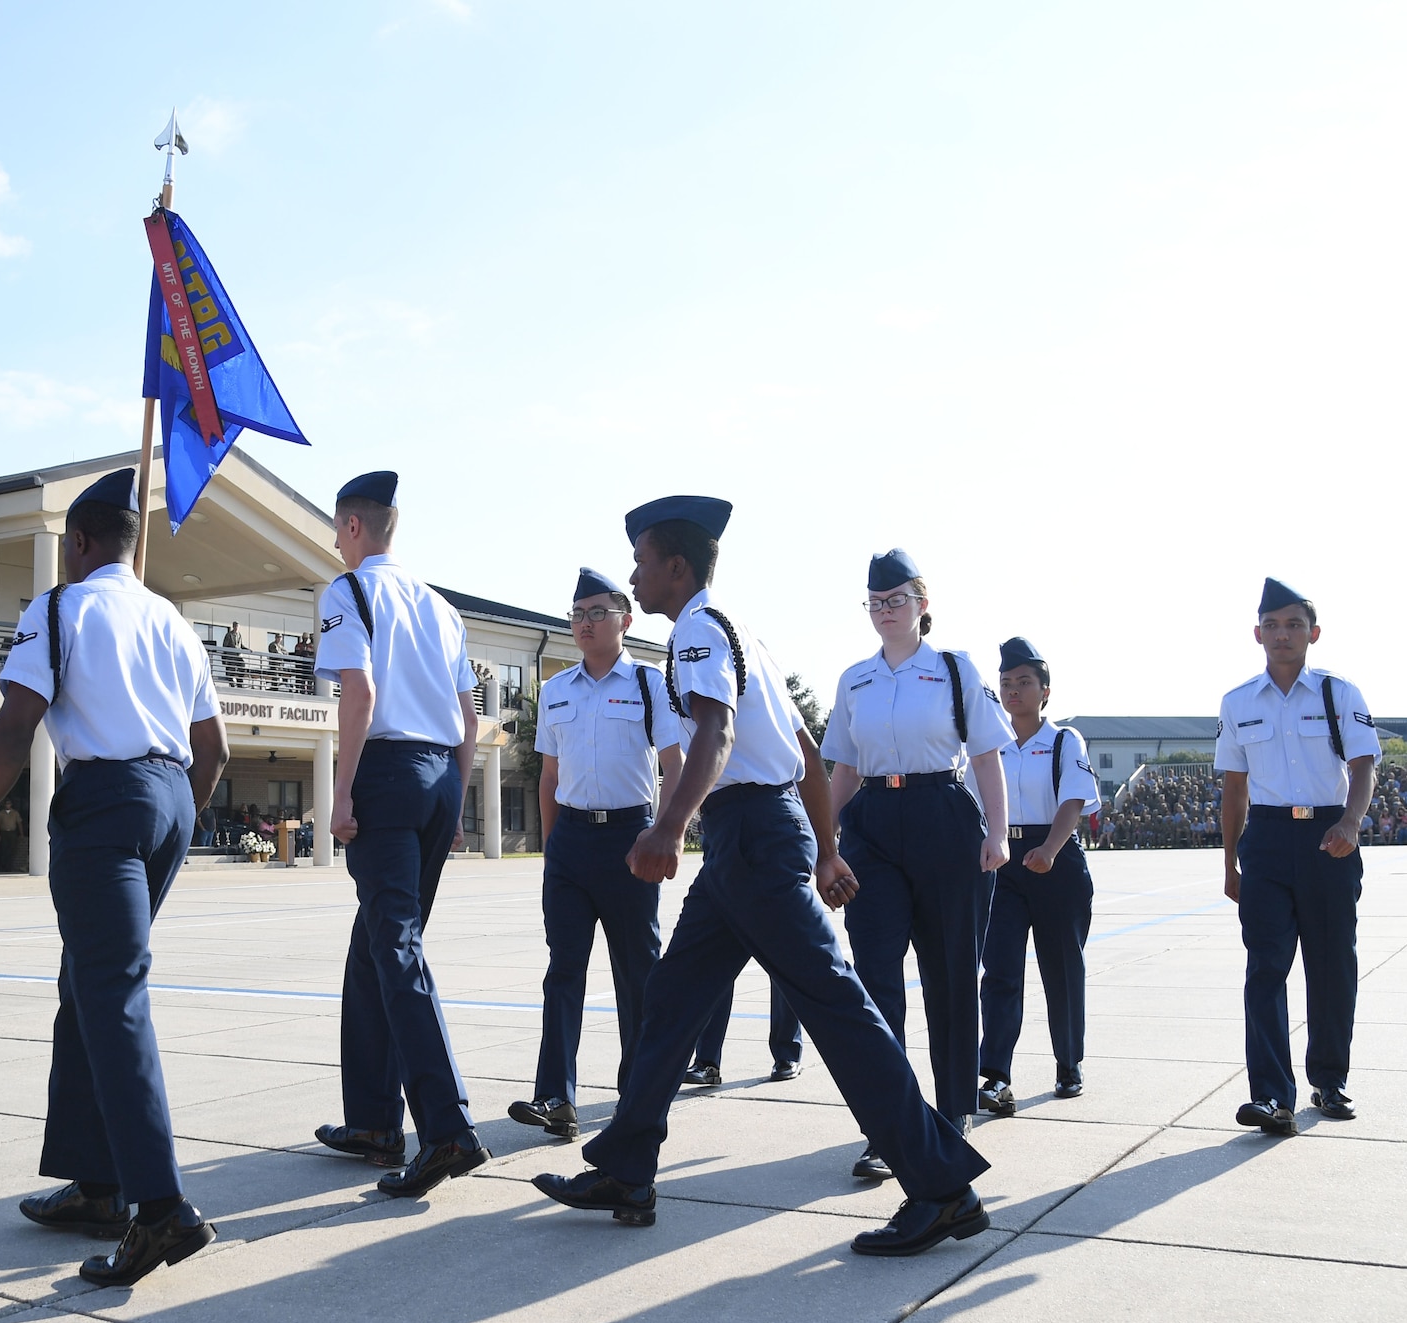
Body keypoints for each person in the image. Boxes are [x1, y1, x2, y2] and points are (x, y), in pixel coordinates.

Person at [532, 496, 991, 1257]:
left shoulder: (695, 635)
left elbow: (717, 731)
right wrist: (826, 849)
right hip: (752, 841)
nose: (635, 577)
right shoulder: (745, 636)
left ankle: (942, 1186)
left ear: (675, 567)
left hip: (748, 839)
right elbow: (807, 751)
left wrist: (669, 826)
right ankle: (626, 1163)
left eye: (642, 563)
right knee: (671, 1005)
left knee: (839, 1010)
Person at [0, 466, 228, 1287]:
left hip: (103, 805)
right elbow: (215, 751)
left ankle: (159, 1208)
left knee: (112, 998)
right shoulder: (172, 620)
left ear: (80, 542)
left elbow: (13, 727)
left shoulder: (58, 608)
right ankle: (97, 1183)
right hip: (170, 800)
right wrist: (174, 816)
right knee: (86, 987)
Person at [310, 470, 491, 1198]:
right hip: (441, 774)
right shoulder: (440, 607)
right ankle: (375, 1119)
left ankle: (445, 1129)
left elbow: (360, 691)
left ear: (354, 527)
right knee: (375, 947)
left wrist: (343, 788)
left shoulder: (347, 592)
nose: (335, 542)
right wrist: (450, 801)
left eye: (336, 529)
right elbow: (470, 720)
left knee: (395, 946)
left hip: (385, 774)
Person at [820, 550, 1012, 1149]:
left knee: (950, 971)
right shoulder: (856, 679)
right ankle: (891, 1126)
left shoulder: (955, 670)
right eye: (876, 603)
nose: (886, 611)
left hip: (943, 815)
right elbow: (844, 769)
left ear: (922, 605)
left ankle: (953, 1108)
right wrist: (824, 841)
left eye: (897, 600)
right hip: (872, 824)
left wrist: (998, 833)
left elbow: (984, 756)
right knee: (875, 973)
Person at [509, 567, 685, 1142]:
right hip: (571, 844)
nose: (584, 623)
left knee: (637, 971)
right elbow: (548, 775)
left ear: (625, 621)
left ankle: (638, 1088)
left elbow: (674, 762)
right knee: (564, 970)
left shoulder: (648, 683)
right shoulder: (556, 689)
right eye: (577, 614)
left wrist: (670, 830)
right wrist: (551, 844)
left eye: (597, 613)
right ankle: (556, 1094)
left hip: (630, 837)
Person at [1218, 577, 1380, 1135]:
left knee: (1331, 964)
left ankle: (1329, 1079)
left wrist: (1351, 823)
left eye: (1292, 624)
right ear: (1256, 633)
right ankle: (1270, 1095)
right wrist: (1230, 861)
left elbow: (1363, 768)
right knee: (1265, 967)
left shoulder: (1339, 694)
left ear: (1313, 632)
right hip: (1264, 841)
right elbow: (1234, 789)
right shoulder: (1238, 702)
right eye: (1271, 625)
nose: (1281, 634)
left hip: (1327, 839)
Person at [976, 637, 1100, 1112]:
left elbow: (1073, 798)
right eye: (1006, 683)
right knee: (1000, 970)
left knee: (1062, 969)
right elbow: (974, 803)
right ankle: (995, 1075)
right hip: (1004, 862)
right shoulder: (989, 746)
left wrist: (1050, 848)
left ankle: (1069, 1064)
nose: (1014, 691)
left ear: (1045, 691)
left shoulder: (1065, 740)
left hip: (1057, 857)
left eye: (1024, 682)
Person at [0, 797, 24, 870]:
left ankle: (10, 866)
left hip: (12, 833)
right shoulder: (1, 813)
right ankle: (3, 866)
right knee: (3, 849)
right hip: (3, 832)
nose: (8, 805)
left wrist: (21, 833)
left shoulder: (15, 813)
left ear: (11, 805)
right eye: (6, 804)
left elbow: (19, 823)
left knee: (12, 850)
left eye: (9, 804)